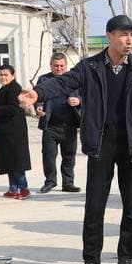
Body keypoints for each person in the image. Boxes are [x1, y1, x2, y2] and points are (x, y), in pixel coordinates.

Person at [19, 16, 132, 264]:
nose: (129, 40)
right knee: (95, 204)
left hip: (131, 144)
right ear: (109, 36)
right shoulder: (90, 67)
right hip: (101, 143)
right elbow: (63, 82)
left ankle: (125, 258)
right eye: (123, 34)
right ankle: (91, 261)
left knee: (131, 205)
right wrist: (39, 93)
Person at [34, 53, 82, 195]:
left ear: (66, 66)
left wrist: (78, 100)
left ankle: (68, 183)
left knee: (69, 156)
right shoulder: (44, 79)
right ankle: (50, 182)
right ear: (51, 66)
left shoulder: (74, 80)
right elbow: (38, 97)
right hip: (50, 126)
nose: (59, 68)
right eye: (56, 66)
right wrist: (38, 107)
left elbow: (85, 95)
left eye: (62, 66)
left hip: (69, 126)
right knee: (48, 155)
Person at [0, 64, 31, 199]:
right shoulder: (5, 88)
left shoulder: (14, 88)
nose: (3, 77)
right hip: (4, 131)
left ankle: (23, 188)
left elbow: (14, 108)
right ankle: (13, 188)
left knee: (16, 160)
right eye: (1, 74)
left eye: (6, 74)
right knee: (8, 160)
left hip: (14, 131)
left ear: (13, 75)